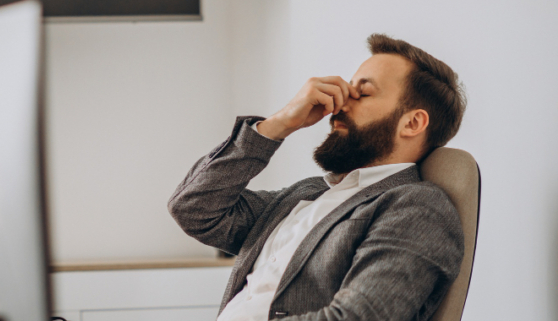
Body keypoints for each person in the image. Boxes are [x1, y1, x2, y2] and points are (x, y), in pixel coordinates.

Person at [167, 33, 466, 321]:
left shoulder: (416, 208)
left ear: (413, 122)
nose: (337, 105)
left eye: (361, 93)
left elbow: (359, 317)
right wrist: (279, 123)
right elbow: (193, 208)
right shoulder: (306, 194)